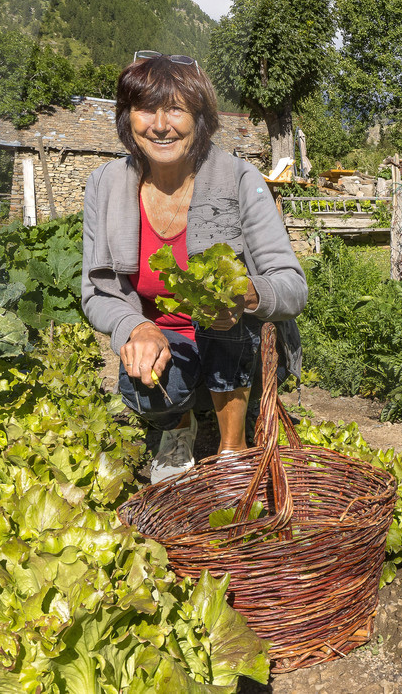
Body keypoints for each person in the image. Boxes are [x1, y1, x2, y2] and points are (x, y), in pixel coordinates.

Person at [81, 53, 306, 482]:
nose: (160, 125)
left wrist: (246, 295)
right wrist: (136, 327)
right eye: (147, 108)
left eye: (177, 109)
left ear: (200, 118)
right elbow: (96, 292)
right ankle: (178, 425)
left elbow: (292, 286)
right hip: (167, 347)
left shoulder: (240, 179)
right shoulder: (105, 185)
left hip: (240, 351)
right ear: (128, 118)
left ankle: (232, 446)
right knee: (138, 386)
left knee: (226, 310)